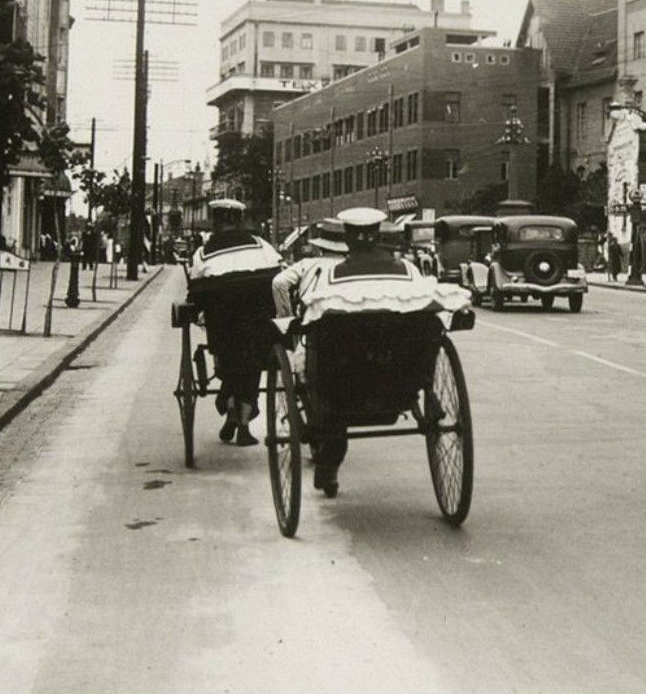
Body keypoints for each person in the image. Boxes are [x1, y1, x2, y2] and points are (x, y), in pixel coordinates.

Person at [295, 207, 468, 497]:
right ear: (378, 236)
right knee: (424, 323)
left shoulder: (332, 275)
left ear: (346, 239)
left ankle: (330, 463)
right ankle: (426, 388)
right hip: (402, 373)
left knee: (324, 353)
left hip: (346, 377)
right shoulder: (408, 270)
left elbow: (313, 320)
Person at [188, 199, 282, 445]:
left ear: (216, 222)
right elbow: (278, 276)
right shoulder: (261, 245)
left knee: (229, 364)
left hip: (222, 327)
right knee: (250, 366)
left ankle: (230, 408)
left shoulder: (203, 252)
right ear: (239, 221)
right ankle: (243, 422)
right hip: (256, 324)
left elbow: (195, 292)